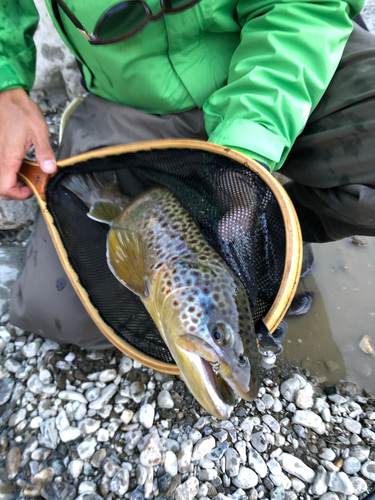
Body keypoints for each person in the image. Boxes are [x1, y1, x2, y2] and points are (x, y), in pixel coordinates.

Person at [0, 0, 374, 349]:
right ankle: (261, 236)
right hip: (131, 99)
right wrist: (6, 84)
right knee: (52, 311)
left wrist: (247, 154)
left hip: (285, 54)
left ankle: (272, 228)